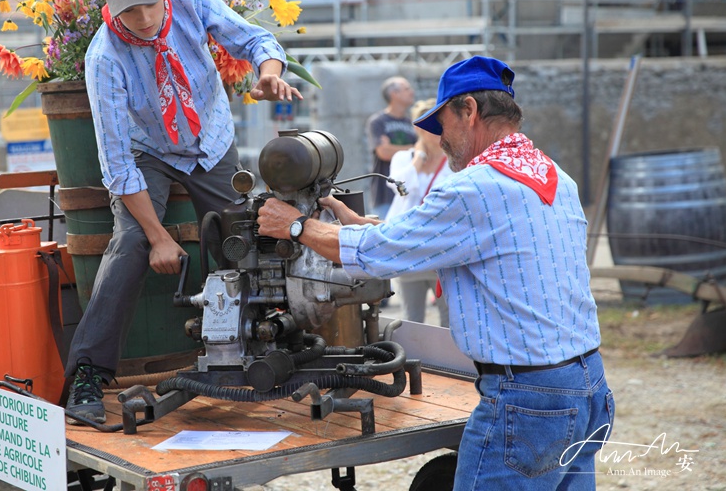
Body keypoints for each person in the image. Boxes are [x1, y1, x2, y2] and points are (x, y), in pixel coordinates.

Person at [257, 56, 613, 489]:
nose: (438, 138)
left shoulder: (475, 188)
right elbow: (429, 237)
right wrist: (354, 222)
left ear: (469, 110)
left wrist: (295, 226)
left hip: (527, 398)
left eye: (441, 122)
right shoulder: (554, 176)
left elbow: (382, 253)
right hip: (586, 382)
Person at [65, 0, 301, 423]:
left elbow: (256, 41)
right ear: (111, 9)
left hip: (210, 141)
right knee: (129, 243)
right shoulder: (104, 58)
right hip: (147, 153)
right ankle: (88, 373)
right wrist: (157, 237)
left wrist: (269, 75)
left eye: (151, 2)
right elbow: (116, 166)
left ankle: (266, 345)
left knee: (242, 237)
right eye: (129, 9)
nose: (144, 16)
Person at [384, 98, 451, 326]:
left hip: (440, 251)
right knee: (412, 321)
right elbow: (400, 187)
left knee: (449, 320)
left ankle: (447, 362)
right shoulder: (403, 158)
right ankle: (414, 362)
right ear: (418, 128)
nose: (437, 130)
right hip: (409, 248)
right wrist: (419, 158)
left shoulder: (454, 161)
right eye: (430, 124)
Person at [365, 76, 417, 217]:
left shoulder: (413, 123)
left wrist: (392, 147)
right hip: (384, 197)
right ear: (394, 94)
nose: (412, 92)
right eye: (407, 89)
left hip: (410, 193)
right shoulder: (377, 121)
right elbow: (384, 152)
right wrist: (412, 148)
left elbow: (423, 149)